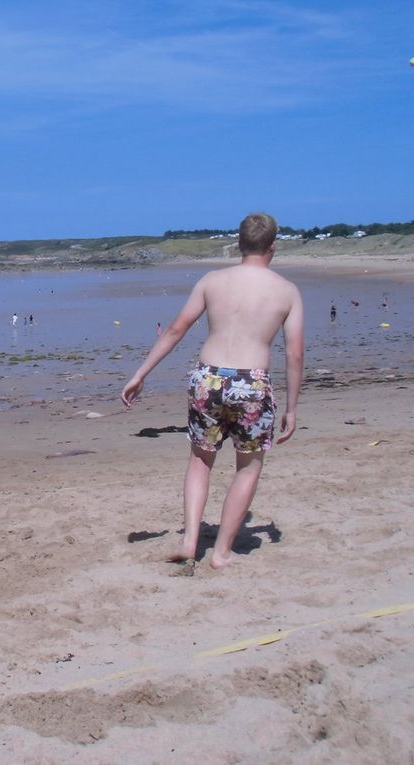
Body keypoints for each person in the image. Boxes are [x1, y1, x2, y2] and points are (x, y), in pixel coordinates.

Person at [121, 212, 304, 571]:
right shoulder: (286, 291)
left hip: (208, 379)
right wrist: (293, 407)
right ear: (272, 247)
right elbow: (295, 352)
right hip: (251, 383)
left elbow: (176, 329)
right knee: (248, 468)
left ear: (239, 243)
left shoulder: (212, 280)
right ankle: (220, 553)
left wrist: (141, 373)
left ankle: (190, 540)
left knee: (200, 460)